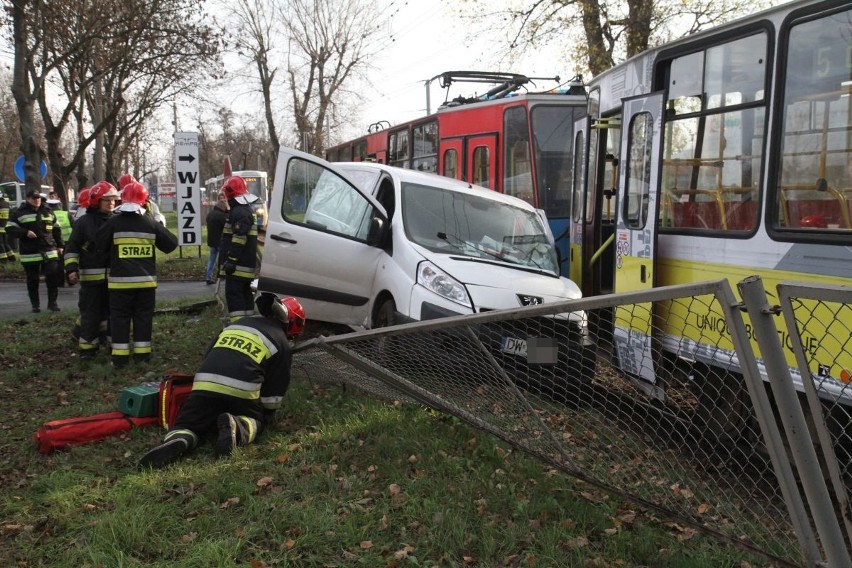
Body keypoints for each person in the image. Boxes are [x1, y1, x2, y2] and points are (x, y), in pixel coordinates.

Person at [137, 294, 305, 469]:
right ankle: (238, 427)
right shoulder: (281, 341)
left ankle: (180, 438)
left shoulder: (238, 324)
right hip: (241, 392)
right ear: (294, 324)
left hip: (204, 384)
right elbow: (276, 387)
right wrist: (267, 414)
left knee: (189, 422)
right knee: (256, 421)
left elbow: (209, 353)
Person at [96, 181, 178, 367]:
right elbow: (171, 244)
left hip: (119, 284)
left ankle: (120, 359)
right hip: (145, 284)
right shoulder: (149, 222)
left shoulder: (113, 222)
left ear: (122, 199)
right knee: (143, 318)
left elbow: (98, 245)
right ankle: (142, 357)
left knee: (119, 319)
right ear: (144, 201)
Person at [65, 181, 119, 358]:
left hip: (114, 279)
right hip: (91, 280)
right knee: (90, 315)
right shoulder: (83, 223)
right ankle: (87, 351)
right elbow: (72, 247)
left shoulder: (117, 220)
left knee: (114, 314)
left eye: (114, 200)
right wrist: (71, 269)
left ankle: (114, 347)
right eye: (107, 200)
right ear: (97, 200)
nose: (111, 203)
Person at [6, 189, 64, 312]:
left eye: (38, 198)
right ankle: (35, 305)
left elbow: (56, 229)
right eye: (34, 198)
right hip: (30, 252)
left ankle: (52, 304)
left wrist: (60, 245)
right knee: (33, 280)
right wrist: (25, 232)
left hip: (49, 249)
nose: (37, 201)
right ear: (28, 199)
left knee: (52, 276)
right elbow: (10, 228)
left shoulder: (48, 211)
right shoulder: (19, 213)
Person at [219, 176, 259, 321]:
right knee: (245, 296)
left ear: (230, 193)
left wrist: (231, 261)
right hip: (244, 267)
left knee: (235, 297)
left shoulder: (239, 212)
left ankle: (239, 327)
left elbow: (239, 239)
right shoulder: (243, 210)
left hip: (237, 268)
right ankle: (249, 325)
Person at [205, 190, 229, 285]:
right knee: (222, 259)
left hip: (211, 241)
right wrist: (228, 210)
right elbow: (228, 224)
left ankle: (208, 277)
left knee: (211, 260)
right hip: (220, 241)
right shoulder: (222, 216)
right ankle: (220, 277)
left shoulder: (210, 214)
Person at [0, 190, 13, 263]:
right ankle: (11, 257)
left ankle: (3, 260)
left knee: (0, 244)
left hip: (0, 227)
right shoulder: (5, 203)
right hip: (5, 227)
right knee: (5, 243)